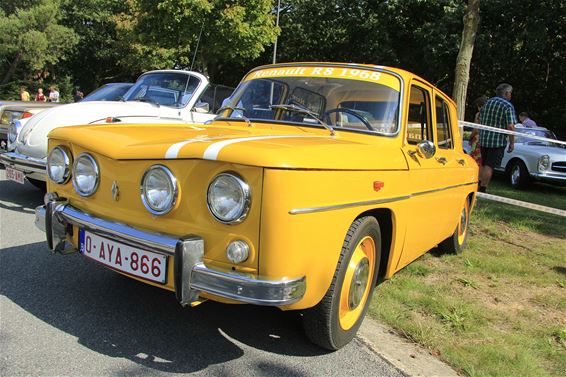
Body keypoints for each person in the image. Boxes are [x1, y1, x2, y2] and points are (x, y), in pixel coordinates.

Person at [478, 83, 516, 192]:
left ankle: (478, 184)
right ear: (506, 93)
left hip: (484, 139)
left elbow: (479, 118)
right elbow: (510, 126)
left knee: (483, 163)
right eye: (510, 93)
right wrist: (512, 142)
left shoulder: (488, 102)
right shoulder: (507, 106)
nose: (511, 95)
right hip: (497, 141)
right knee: (489, 166)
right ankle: (482, 189)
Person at [469, 96, 487, 166]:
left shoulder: (478, 115)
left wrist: (470, 136)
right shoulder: (490, 114)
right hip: (486, 140)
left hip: (477, 140)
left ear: (480, 106)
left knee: (474, 159)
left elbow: (476, 129)